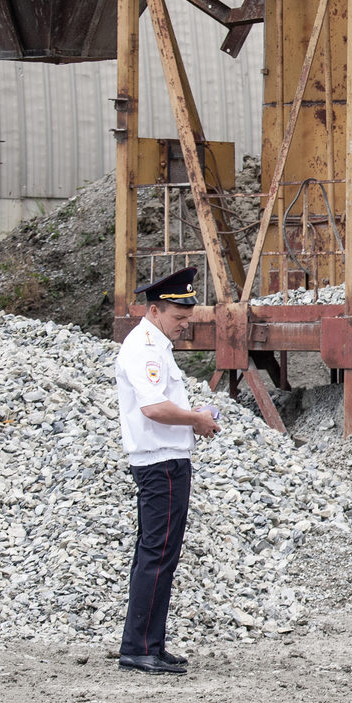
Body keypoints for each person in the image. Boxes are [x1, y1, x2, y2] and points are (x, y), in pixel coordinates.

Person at [114, 265, 220, 675]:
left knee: (158, 554)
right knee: (157, 555)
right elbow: (154, 408)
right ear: (155, 310)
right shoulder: (144, 348)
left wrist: (193, 416)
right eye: (179, 317)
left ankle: (148, 644)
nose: (184, 324)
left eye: (187, 317)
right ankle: (140, 648)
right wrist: (196, 419)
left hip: (165, 460)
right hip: (160, 463)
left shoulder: (155, 345)